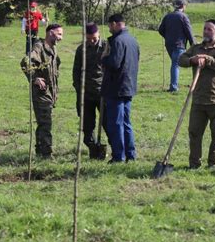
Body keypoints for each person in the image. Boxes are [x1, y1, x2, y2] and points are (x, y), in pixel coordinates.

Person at [178, 19, 215, 169]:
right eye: (205, 29)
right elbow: (181, 59)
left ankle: (213, 163)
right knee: (194, 133)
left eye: (210, 29)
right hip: (199, 99)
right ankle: (194, 164)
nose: (206, 32)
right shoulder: (196, 48)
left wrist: (207, 59)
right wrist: (192, 60)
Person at [101, 14, 140, 163]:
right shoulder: (133, 40)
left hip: (116, 86)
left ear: (116, 24)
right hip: (129, 86)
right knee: (126, 122)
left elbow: (114, 63)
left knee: (116, 123)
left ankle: (118, 156)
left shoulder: (117, 41)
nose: (109, 29)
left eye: (110, 25)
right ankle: (131, 154)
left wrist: (103, 59)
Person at [21, 24, 63, 159]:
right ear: (51, 33)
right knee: (46, 123)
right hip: (41, 94)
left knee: (43, 123)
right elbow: (25, 62)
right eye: (59, 34)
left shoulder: (52, 48)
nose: (61, 37)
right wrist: (35, 78)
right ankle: (46, 154)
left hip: (50, 93)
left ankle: (40, 150)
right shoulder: (39, 47)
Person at [72, 22, 109, 159]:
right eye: (88, 39)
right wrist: (78, 87)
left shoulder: (106, 47)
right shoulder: (81, 50)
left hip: (103, 93)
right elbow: (76, 71)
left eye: (93, 38)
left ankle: (113, 148)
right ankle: (92, 146)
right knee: (87, 125)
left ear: (98, 34)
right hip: (85, 93)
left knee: (107, 122)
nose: (91, 41)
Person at [159, 0, 195, 93]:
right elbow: (189, 31)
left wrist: (167, 37)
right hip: (179, 44)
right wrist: (193, 44)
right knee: (176, 65)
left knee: (175, 64)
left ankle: (174, 86)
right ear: (183, 6)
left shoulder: (167, 16)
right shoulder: (183, 17)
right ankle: (174, 87)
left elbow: (160, 30)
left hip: (169, 45)